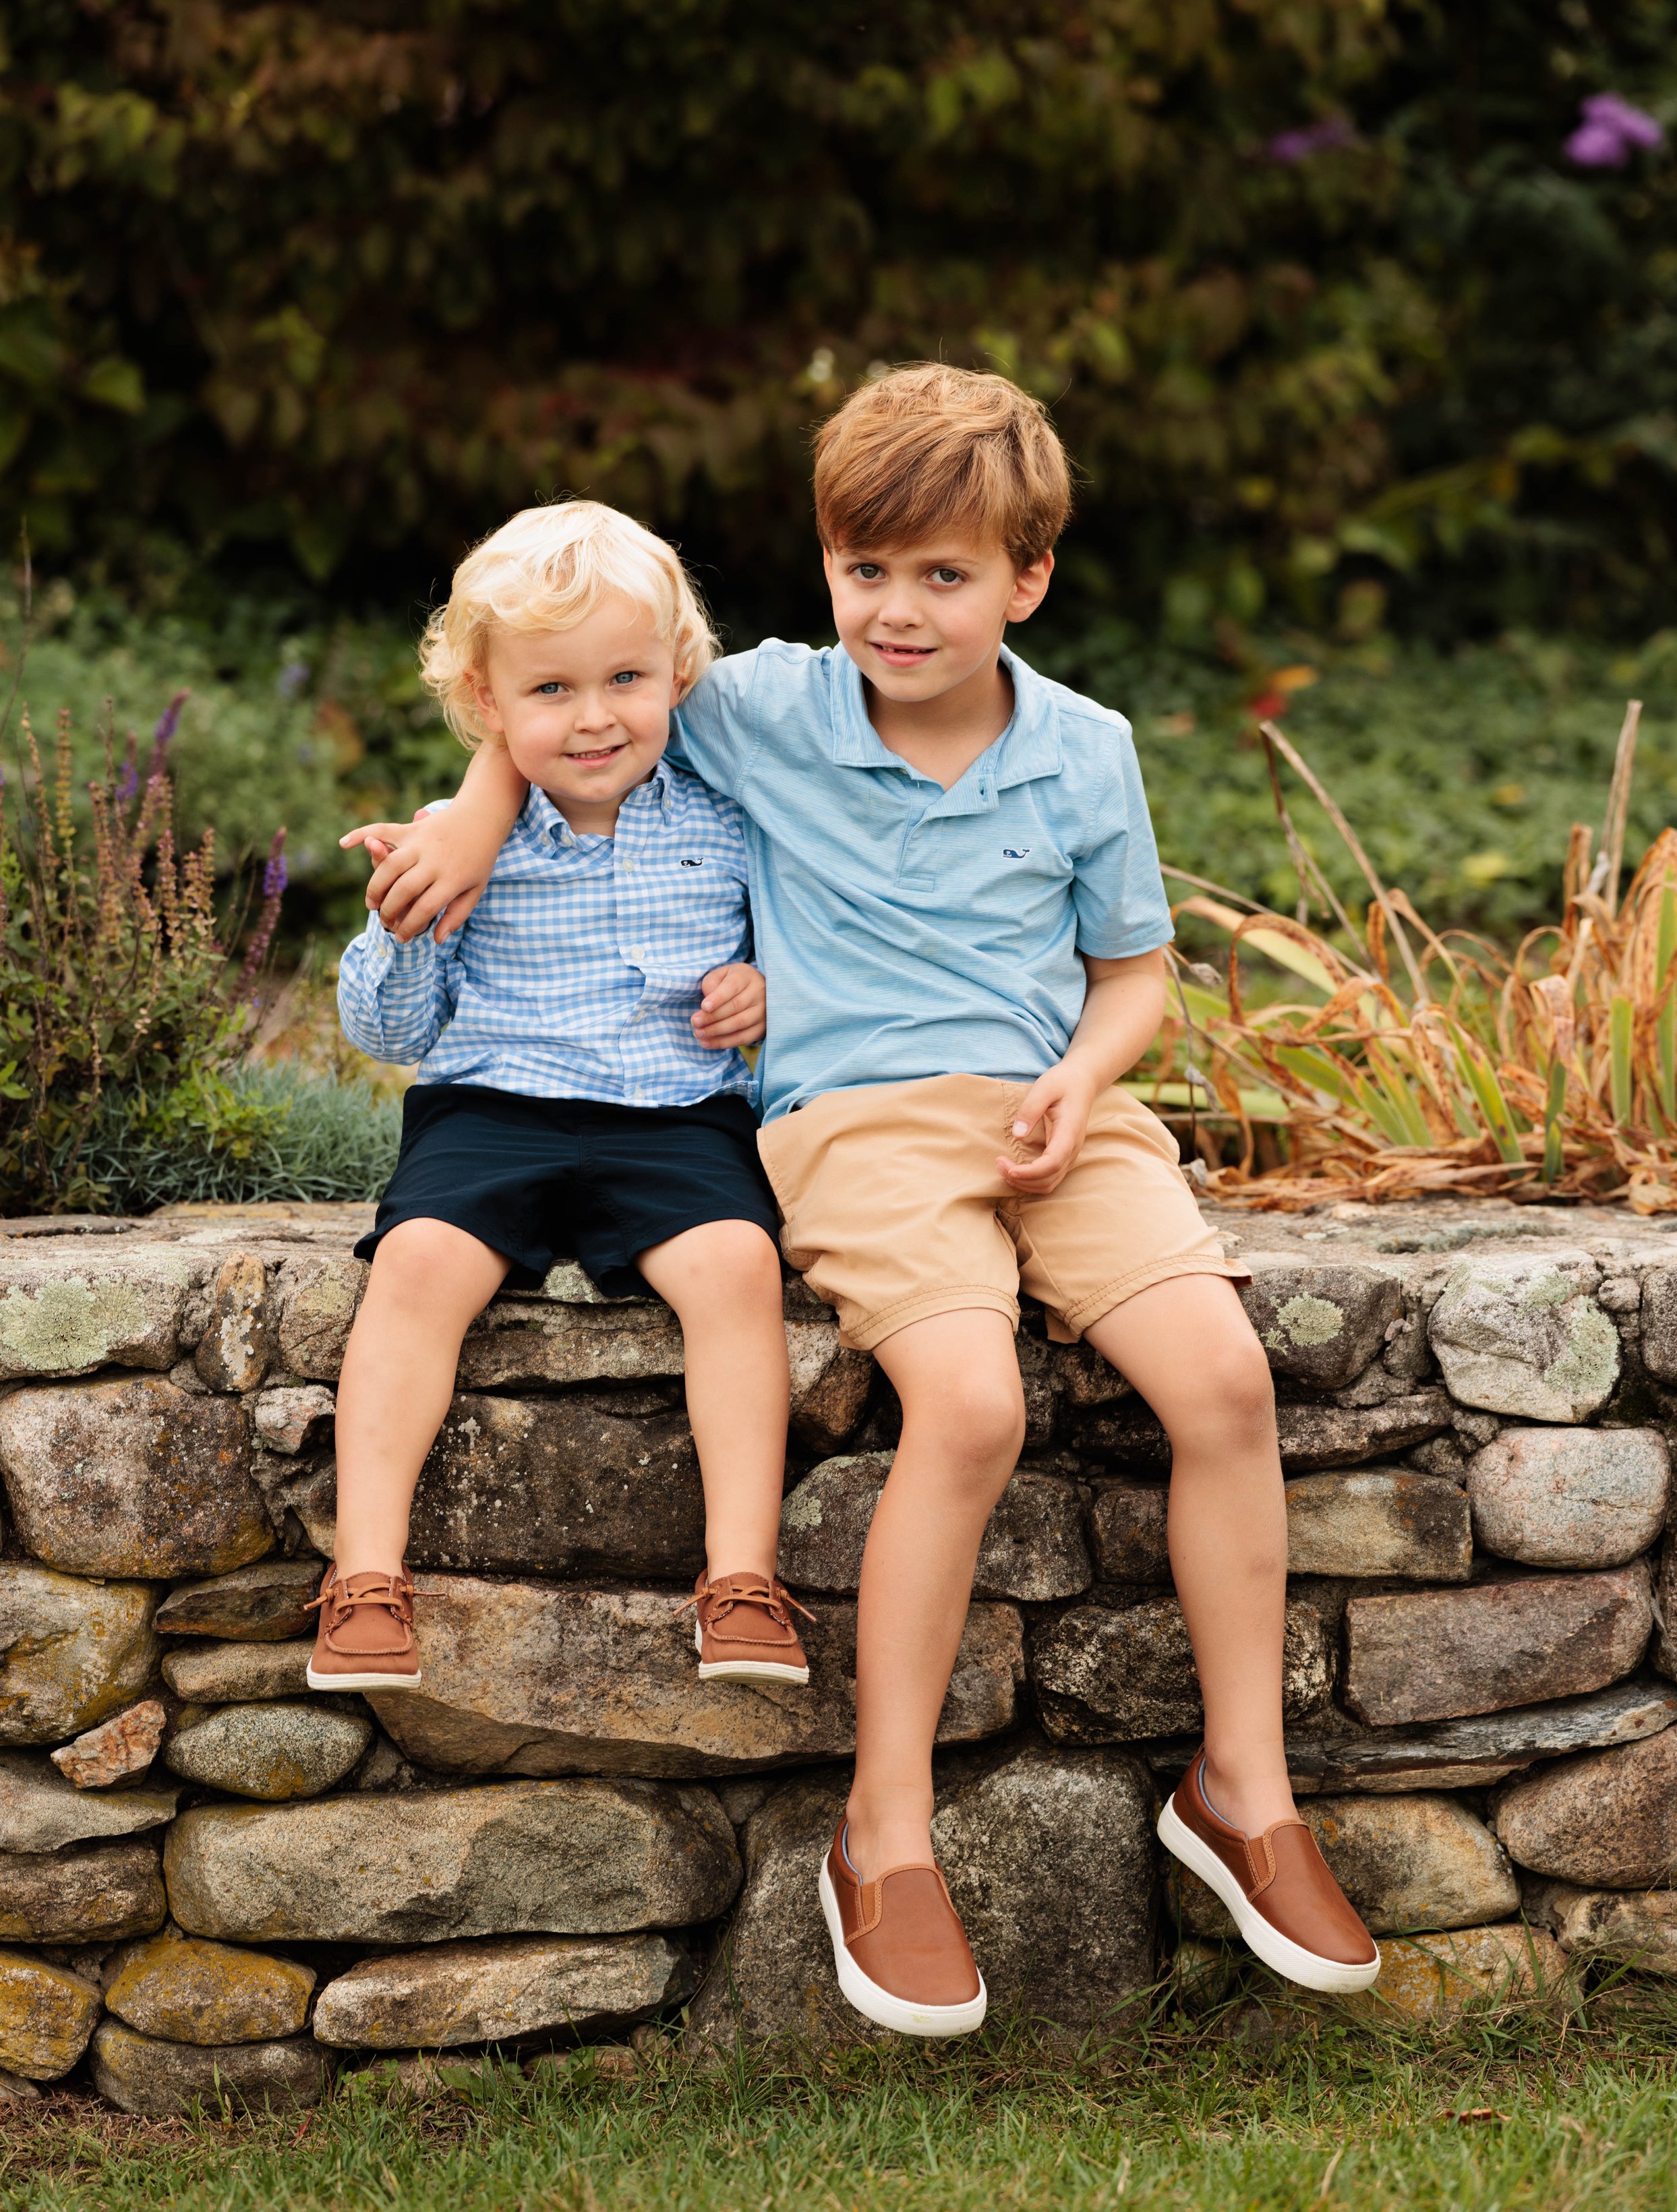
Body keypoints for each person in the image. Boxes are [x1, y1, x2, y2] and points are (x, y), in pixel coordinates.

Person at [347, 366, 1380, 2029]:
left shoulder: (1084, 750)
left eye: (944, 575)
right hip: (860, 1119)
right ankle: (882, 1829)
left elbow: (1135, 977)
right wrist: (475, 815)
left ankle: (1241, 1790)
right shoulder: (763, 705)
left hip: (1059, 1114)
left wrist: (1082, 1075)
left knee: (1224, 1380)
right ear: (826, 566)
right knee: (963, 1401)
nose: (895, 612)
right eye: (863, 569)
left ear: (1026, 580)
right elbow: (559, 711)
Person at [312, 500, 811, 1700]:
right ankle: (366, 1576)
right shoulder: (458, 839)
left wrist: (764, 993)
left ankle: (742, 1579)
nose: (595, 718)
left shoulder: (735, 827)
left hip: (677, 1117)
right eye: (552, 691)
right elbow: (386, 1034)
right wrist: (410, 928)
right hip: (494, 1108)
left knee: (740, 1265)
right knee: (420, 1263)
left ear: (678, 672)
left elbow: (800, 957)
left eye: (627, 677)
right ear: (490, 706)